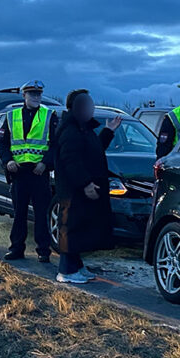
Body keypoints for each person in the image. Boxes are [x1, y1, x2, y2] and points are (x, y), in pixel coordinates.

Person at [54, 89, 122, 284]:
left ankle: (76, 266)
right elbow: (71, 160)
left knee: (81, 228)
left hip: (83, 191)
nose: (91, 108)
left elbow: (94, 150)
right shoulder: (70, 130)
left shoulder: (84, 128)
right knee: (71, 227)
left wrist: (108, 131)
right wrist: (85, 183)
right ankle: (65, 271)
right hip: (73, 192)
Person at [0, 80, 57, 263]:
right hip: (19, 173)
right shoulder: (11, 115)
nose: (36, 97)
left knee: (41, 214)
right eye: (32, 94)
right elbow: (2, 143)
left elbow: (56, 144)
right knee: (19, 214)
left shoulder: (49, 115)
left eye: (39, 94)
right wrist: (8, 162)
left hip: (39, 173)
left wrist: (45, 163)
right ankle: (16, 248)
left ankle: (43, 251)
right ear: (24, 96)